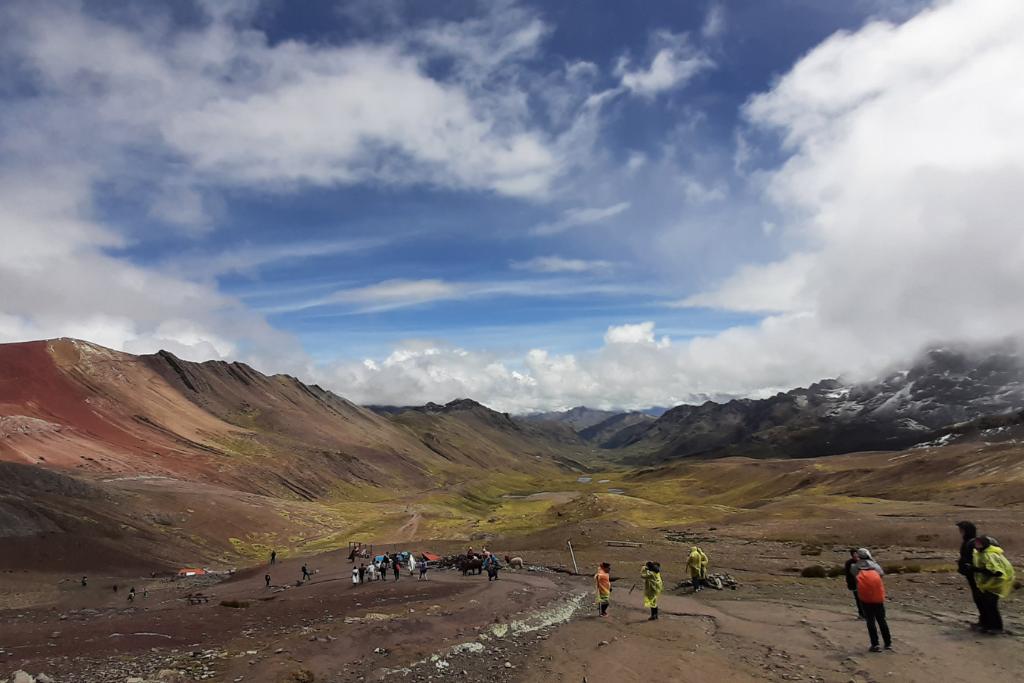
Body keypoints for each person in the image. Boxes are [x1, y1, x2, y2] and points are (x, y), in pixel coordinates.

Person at [972, 536, 1015, 635]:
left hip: (997, 583)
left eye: (979, 544)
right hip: (991, 583)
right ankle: (988, 625)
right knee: (986, 604)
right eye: (976, 544)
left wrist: (977, 570)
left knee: (991, 605)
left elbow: (997, 572)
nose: (977, 546)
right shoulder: (981, 554)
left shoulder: (990, 555)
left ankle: (997, 627)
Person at [851, 549, 891, 652]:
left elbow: (854, 576)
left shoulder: (855, 567)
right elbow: (881, 574)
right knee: (882, 619)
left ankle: (875, 644)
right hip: (877, 596)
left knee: (870, 620)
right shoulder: (875, 566)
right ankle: (888, 643)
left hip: (864, 596)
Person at [956, 521, 984, 629]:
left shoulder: (973, 543)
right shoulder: (970, 541)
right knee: (978, 598)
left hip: (977, 575)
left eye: (962, 530)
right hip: (973, 574)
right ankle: (984, 621)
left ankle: (987, 622)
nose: (960, 533)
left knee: (980, 598)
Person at [844, 549, 866, 619]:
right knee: (858, 599)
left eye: (856, 553)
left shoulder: (863, 562)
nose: (855, 554)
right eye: (853, 553)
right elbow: (848, 574)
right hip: (854, 582)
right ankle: (861, 613)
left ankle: (868, 613)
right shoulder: (849, 563)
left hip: (863, 582)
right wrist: (849, 583)